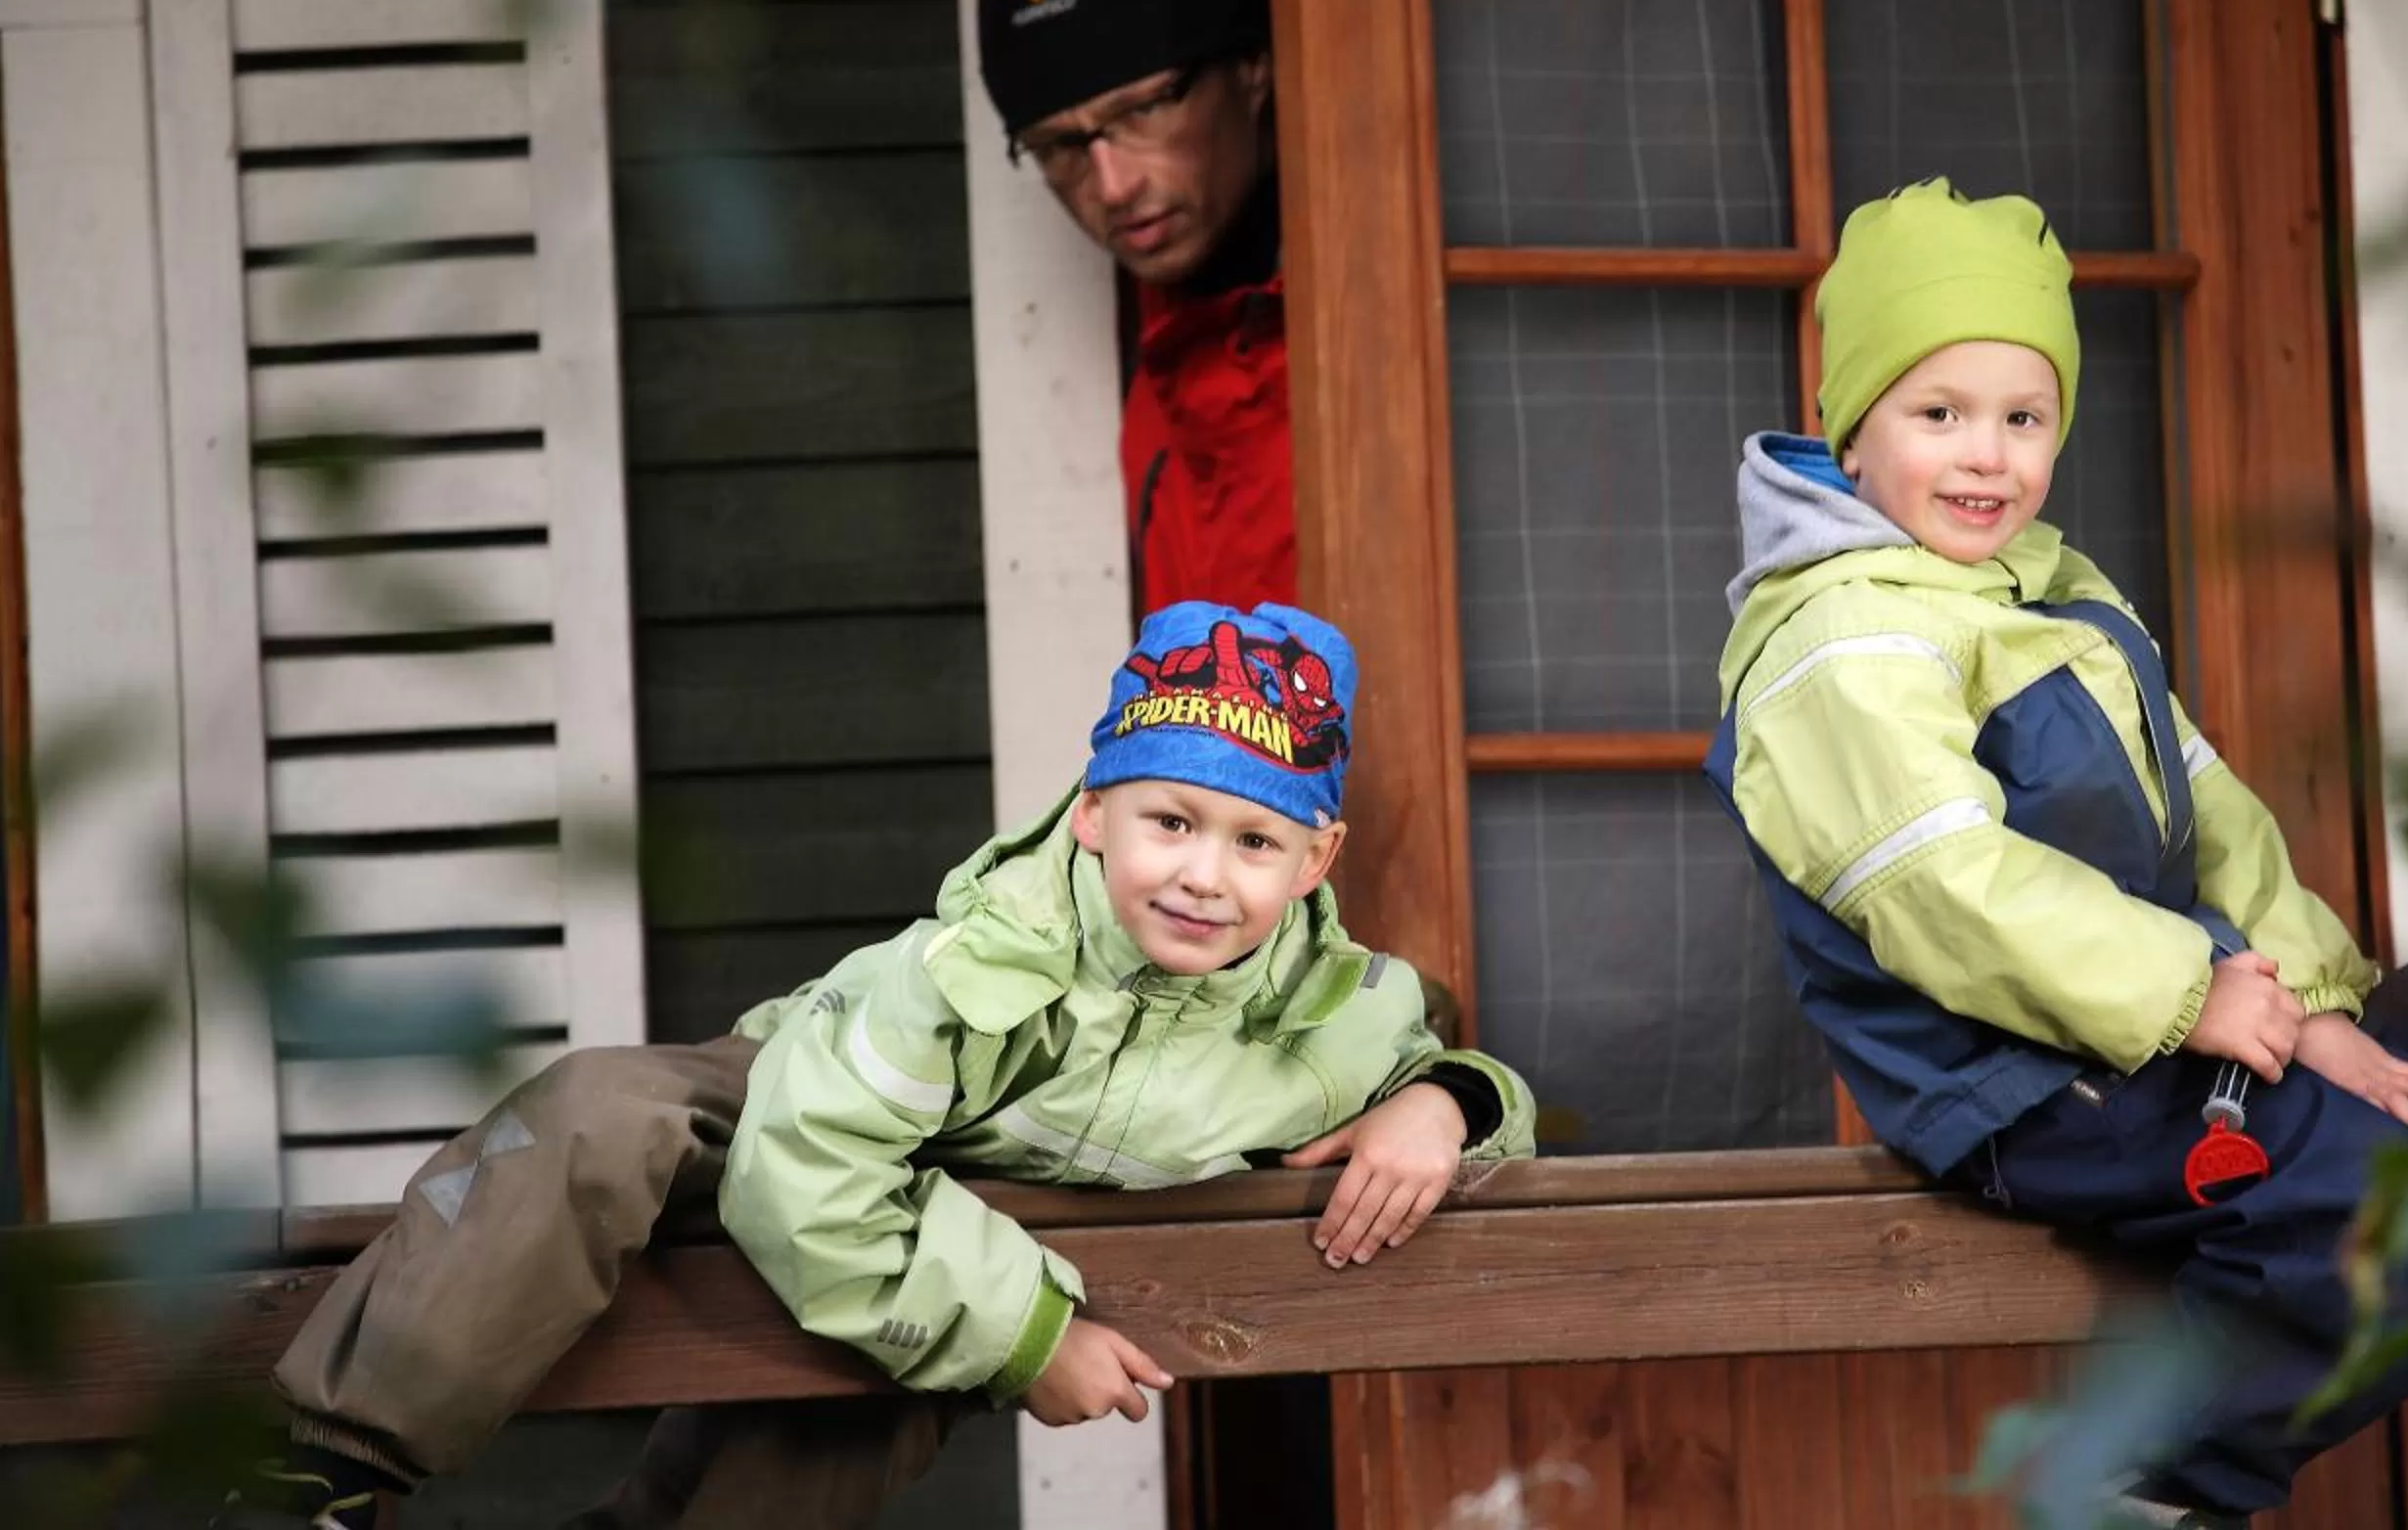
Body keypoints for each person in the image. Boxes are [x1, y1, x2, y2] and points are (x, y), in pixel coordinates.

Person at [1704, 179, 2408, 1527]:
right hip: (2021, 1080)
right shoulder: (1840, 636)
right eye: (1938, 414)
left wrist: (2308, 1002)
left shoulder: (2054, 594)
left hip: (2162, 1018)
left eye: (2024, 418)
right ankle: (2168, 1492)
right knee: (2358, 1194)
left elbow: (2215, 819)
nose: (1987, 457)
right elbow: (1948, 888)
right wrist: (2202, 1000)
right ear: (1856, 434)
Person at [219, 603, 1536, 1530]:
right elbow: (806, 1169)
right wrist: (1032, 1339)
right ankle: (327, 1467)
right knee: (599, 1117)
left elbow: (1464, 1077)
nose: (1204, 872)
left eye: (1256, 843)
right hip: (794, 1106)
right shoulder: (978, 957)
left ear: (1318, 861)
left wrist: (1445, 1104)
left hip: (947, 1226)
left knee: (857, 1410)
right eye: (1171, 821)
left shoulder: (1336, 1012)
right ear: (1090, 816)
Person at [976, 0, 1293, 612]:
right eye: (1059, 146)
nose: (1112, 187)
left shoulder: (1393, 335)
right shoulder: (1160, 395)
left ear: (1251, 69)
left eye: (1143, 110)